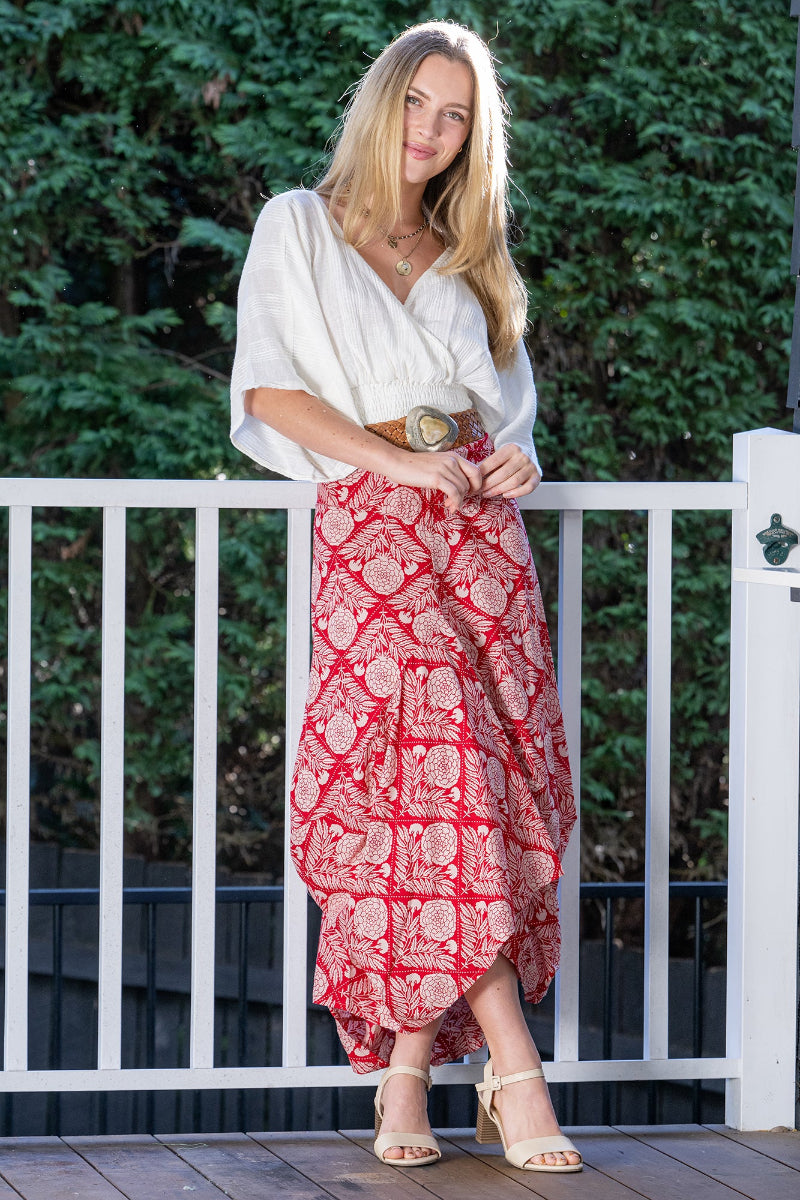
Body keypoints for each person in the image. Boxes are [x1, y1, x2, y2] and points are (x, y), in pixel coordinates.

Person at [230, 20, 581, 1175]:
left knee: (465, 790)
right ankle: (515, 1072)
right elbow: (273, 393)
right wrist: (393, 465)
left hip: (478, 533)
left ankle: (402, 1076)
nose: (430, 132)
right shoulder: (300, 225)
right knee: (426, 771)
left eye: (456, 118)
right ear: (381, 103)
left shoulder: (471, 255)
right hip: (374, 531)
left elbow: (506, 412)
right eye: (418, 105)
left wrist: (514, 456)